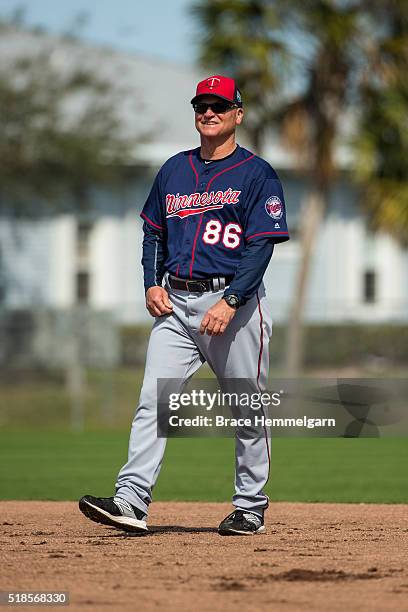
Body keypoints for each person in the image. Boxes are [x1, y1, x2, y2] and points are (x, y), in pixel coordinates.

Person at [79, 75, 289, 536]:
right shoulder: (174, 170)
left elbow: (261, 247)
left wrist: (232, 300)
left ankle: (250, 506)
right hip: (175, 303)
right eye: (202, 105)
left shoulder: (257, 174)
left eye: (219, 105)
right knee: (153, 402)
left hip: (233, 306)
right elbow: (154, 231)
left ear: (239, 113)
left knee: (247, 408)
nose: (208, 112)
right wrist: (151, 284)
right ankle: (131, 501)